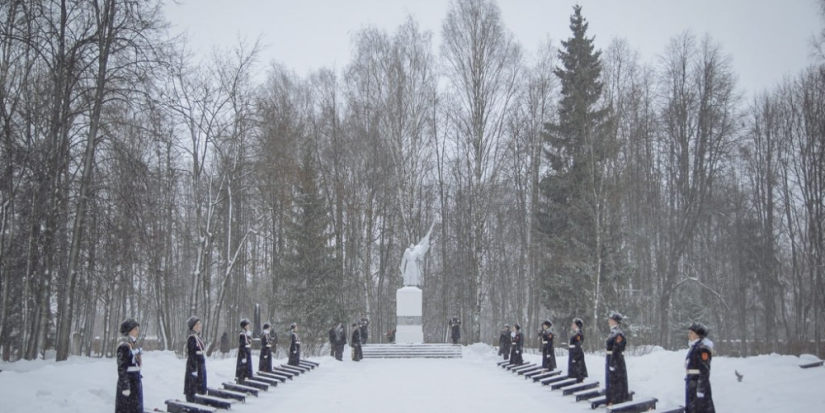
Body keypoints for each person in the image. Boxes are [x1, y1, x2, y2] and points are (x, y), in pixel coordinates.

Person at [685, 322, 715, 413]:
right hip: (692, 383)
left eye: (691, 333)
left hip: (697, 384)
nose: (688, 335)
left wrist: (700, 389)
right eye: (688, 332)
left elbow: (704, 371)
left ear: (698, 335)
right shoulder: (694, 347)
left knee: (700, 408)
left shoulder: (702, 348)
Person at [115, 318, 143, 413]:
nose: (137, 331)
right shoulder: (124, 345)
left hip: (134, 382)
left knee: (135, 408)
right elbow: (122, 367)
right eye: (135, 329)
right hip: (129, 384)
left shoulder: (133, 343)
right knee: (128, 409)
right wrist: (125, 386)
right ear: (129, 330)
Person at [605, 312, 629, 406]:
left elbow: (617, 350)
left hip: (616, 361)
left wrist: (613, 363)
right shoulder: (613, 332)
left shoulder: (618, 334)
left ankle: (617, 401)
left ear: (615, 321)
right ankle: (612, 400)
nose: (609, 321)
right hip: (611, 359)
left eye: (611, 320)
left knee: (616, 383)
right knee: (612, 382)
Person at [184, 316, 207, 403]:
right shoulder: (192, 338)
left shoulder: (198, 337)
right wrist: (194, 369)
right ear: (193, 326)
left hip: (200, 365)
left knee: (200, 385)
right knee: (193, 386)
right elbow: (192, 355)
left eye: (199, 324)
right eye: (197, 324)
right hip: (195, 366)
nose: (199, 325)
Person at [568, 318, 588, 383]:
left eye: (573, 324)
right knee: (575, 367)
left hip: (577, 352)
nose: (572, 325)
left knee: (578, 367)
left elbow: (578, 344)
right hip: (573, 352)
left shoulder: (578, 334)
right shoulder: (575, 333)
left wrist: (575, 355)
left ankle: (579, 380)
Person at [235, 319, 253, 384]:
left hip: (246, 353)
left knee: (245, 370)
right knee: (242, 370)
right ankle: (241, 381)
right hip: (244, 354)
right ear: (244, 326)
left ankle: (243, 380)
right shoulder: (242, 334)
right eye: (247, 325)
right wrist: (243, 356)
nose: (249, 326)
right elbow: (242, 346)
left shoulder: (246, 334)